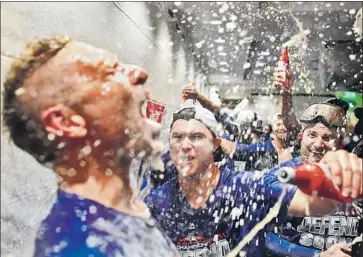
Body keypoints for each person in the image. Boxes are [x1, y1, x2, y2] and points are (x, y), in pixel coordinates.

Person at [2, 36, 179, 257]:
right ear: (65, 123)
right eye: (109, 71)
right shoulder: (78, 248)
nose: (140, 72)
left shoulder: (119, 214)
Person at [145, 105, 362, 257]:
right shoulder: (156, 201)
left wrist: (337, 176)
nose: (185, 145)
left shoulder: (248, 187)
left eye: (196, 137)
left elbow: (315, 204)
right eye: (178, 137)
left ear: (215, 144)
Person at [265, 70, 362, 257]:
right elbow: (264, 236)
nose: (318, 144)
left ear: (340, 141)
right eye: (312, 135)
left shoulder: (353, 172)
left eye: (328, 137)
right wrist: (316, 256)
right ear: (301, 138)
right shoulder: (283, 174)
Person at [182, 83, 296, 171]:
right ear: (272, 126)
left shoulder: (297, 147)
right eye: (279, 124)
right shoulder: (261, 148)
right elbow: (233, 148)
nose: (282, 128)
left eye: (285, 124)